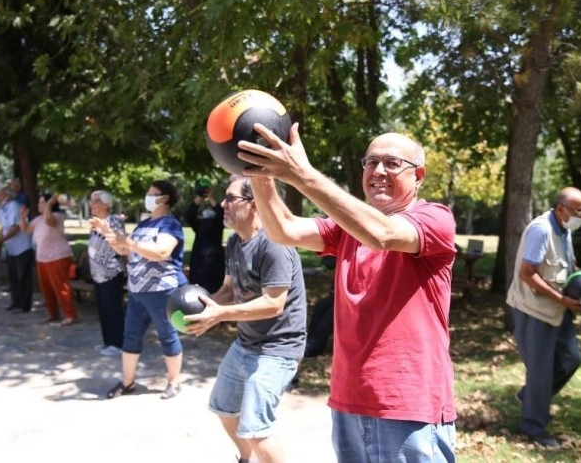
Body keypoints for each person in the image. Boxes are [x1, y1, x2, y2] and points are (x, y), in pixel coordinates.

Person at [239, 124, 458, 462]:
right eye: (370, 162)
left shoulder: (434, 218)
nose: (378, 171)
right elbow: (283, 228)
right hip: (349, 398)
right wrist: (258, 171)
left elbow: (382, 233)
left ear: (420, 176)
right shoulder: (346, 230)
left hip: (407, 403)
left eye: (392, 163)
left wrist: (302, 174)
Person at [184, 175, 307, 463]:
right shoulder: (237, 242)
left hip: (277, 349)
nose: (223, 204)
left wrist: (220, 314)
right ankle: (245, 459)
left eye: (230, 198)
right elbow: (229, 290)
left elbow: (274, 304)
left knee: (256, 431)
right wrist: (207, 308)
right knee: (225, 409)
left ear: (253, 204)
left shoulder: (274, 243)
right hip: (246, 343)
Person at [506, 187, 581, 448]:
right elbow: (527, 273)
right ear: (561, 209)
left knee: (571, 359)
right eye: (579, 211)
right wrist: (563, 299)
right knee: (540, 372)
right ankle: (534, 427)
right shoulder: (541, 229)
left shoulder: (564, 228)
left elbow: (564, 264)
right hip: (535, 309)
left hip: (556, 307)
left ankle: (531, 395)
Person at [92, 180, 188, 400]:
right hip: (137, 290)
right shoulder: (143, 225)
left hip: (163, 290)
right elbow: (125, 250)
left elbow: (162, 251)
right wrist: (109, 234)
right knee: (130, 336)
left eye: (152, 194)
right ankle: (128, 383)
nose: (148, 197)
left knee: (168, 335)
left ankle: (174, 382)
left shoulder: (170, 224)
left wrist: (130, 243)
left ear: (164, 199)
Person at [20, 193, 78, 326]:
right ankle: (53, 313)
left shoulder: (57, 216)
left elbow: (48, 220)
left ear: (49, 204)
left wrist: (50, 204)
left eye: (42, 202)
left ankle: (70, 315)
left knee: (61, 286)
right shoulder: (38, 219)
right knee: (46, 288)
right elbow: (26, 229)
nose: (39, 205)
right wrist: (22, 218)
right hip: (42, 258)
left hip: (58, 256)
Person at [87, 190, 127, 356]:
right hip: (98, 275)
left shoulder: (114, 221)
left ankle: (117, 344)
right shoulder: (96, 223)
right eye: (91, 201)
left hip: (111, 273)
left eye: (95, 201)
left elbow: (119, 243)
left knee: (113, 309)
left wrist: (103, 229)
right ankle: (108, 342)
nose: (92, 204)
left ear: (106, 204)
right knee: (103, 309)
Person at [0, 187, 34, 313]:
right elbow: (3, 228)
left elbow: (16, 228)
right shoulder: (2, 209)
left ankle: (24, 305)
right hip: (11, 247)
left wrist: (1, 241)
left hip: (22, 246)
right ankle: (15, 301)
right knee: (13, 276)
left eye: (0, 195)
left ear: (8, 195)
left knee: (23, 276)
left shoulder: (15, 207)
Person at [185, 178, 226, 293]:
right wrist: (198, 198)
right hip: (198, 260)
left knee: (214, 289)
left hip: (214, 261)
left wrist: (212, 199)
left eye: (210, 208)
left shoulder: (218, 224)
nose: (208, 209)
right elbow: (189, 215)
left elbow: (221, 214)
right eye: (206, 208)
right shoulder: (199, 225)